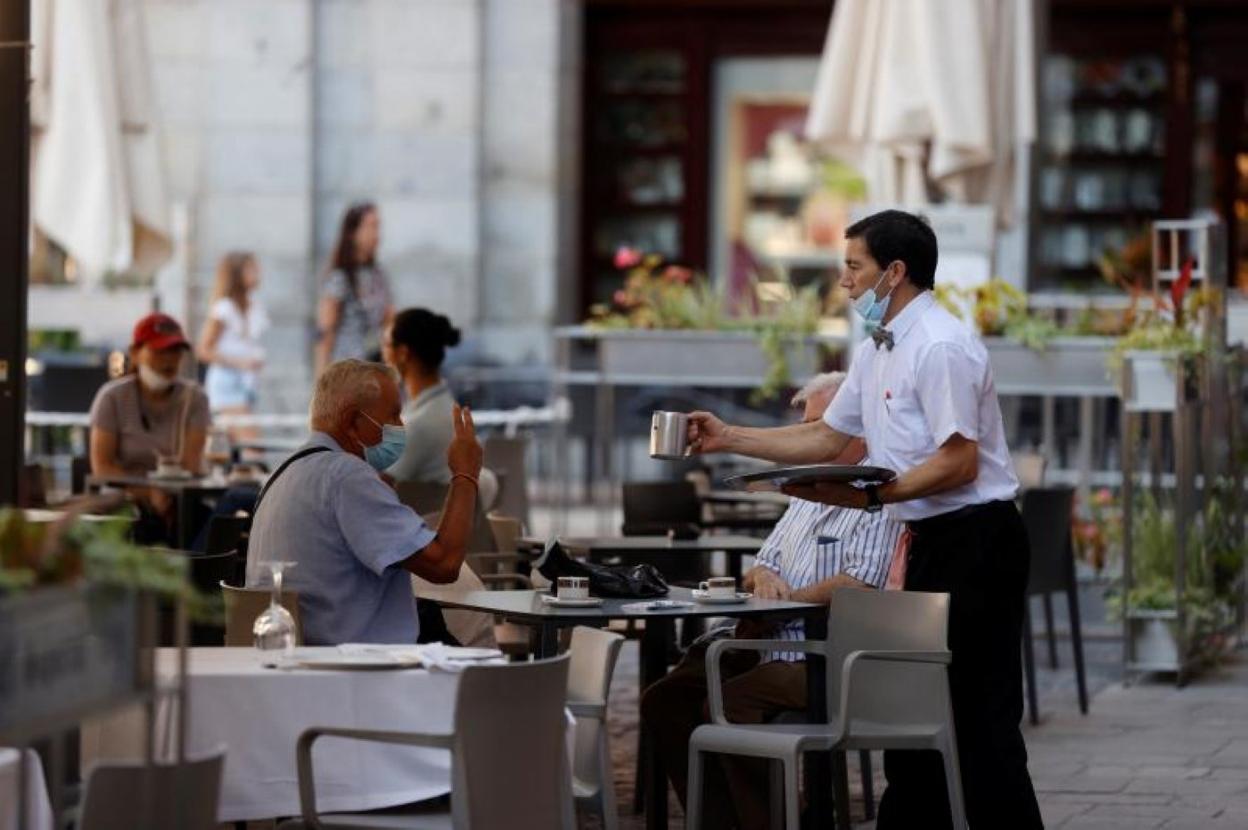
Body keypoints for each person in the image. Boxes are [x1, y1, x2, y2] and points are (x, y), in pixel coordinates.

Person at [687, 210, 1042, 829]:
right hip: (927, 539)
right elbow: (827, 437)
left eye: (854, 266)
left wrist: (878, 496)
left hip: (977, 541)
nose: (844, 280)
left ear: (894, 272)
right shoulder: (877, 347)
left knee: (979, 718)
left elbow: (959, 461)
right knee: (917, 712)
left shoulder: (941, 346)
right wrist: (728, 438)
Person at [641, 372, 902, 829]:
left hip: (826, 656)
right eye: (805, 427)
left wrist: (784, 602)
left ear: (861, 428)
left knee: (728, 704)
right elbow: (761, 564)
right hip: (765, 642)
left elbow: (862, 583)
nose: (806, 438)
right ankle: (724, 821)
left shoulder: (878, 494)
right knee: (666, 699)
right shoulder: (807, 490)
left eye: (818, 427)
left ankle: (783, 820)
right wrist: (762, 579)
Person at [245, 359, 482, 645]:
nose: (400, 427)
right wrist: (465, 474)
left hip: (297, 657)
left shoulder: (281, 474)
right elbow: (444, 564)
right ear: (352, 422)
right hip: (358, 663)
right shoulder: (347, 477)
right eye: (393, 415)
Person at [89, 313, 211, 543]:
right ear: (135, 353)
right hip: (124, 503)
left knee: (222, 516)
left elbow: (191, 464)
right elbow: (102, 467)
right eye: (159, 351)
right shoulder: (112, 397)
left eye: (175, 351)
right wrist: (147, 492)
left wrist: (165, 494)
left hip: (179, 504)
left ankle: (200, 564)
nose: (169, 360)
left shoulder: (195, 398)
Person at [380, 307, 461, 484]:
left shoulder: (418, 425)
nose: (383, 354)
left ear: (403, 353)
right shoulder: (447, 409)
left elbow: (368, 488)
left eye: (386, 344)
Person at [315, 202, 394, 377]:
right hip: (346, 372)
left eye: (378, 227)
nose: (376, 234)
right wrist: (320, 381)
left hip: (374, 369)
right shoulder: (339, 276)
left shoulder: (379, 275)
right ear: (353, 232)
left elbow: (390, 321)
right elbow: (325, 332)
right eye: (371, 226)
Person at [197, 251, 268, 425]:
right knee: (250, 438)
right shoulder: (224, 308)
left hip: (248, 382)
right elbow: (203, 350)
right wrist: (239, 362)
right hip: (227, 382)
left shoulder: (254, 304)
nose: (257, 273)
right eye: (250, 269)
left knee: (236, 438)